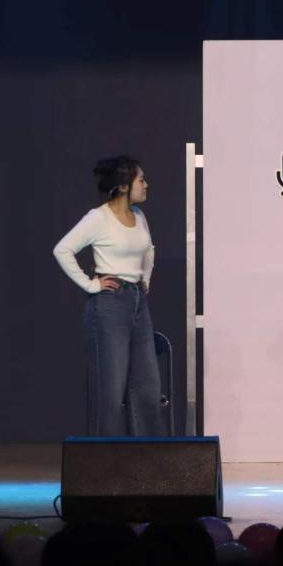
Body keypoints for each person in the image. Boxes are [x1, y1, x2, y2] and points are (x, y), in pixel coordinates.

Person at [53, 156, 166, 436]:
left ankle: (148, 456)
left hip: (138, 303)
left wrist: (145, 278)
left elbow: (149, 249)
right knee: (111, 390)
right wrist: (91, 285)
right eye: (141, 180)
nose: (146, 185)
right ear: (124, 186)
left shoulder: (139, 216)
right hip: (109, 306)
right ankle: (107, 457)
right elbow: (62, 250)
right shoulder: (98, 218)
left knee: (147, 386)